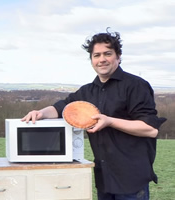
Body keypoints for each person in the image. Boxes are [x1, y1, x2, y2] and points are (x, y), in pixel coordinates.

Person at [22, 28, 166, 200]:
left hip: (131, 178)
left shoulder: (136, 86)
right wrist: (40, 113)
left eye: (107, 53)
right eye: (96, 55)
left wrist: (109, 121)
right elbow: (62, 108)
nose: (102, 59)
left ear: (118, 57)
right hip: (104, 176)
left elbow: (150, 129)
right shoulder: (87, 92)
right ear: (91, 60)